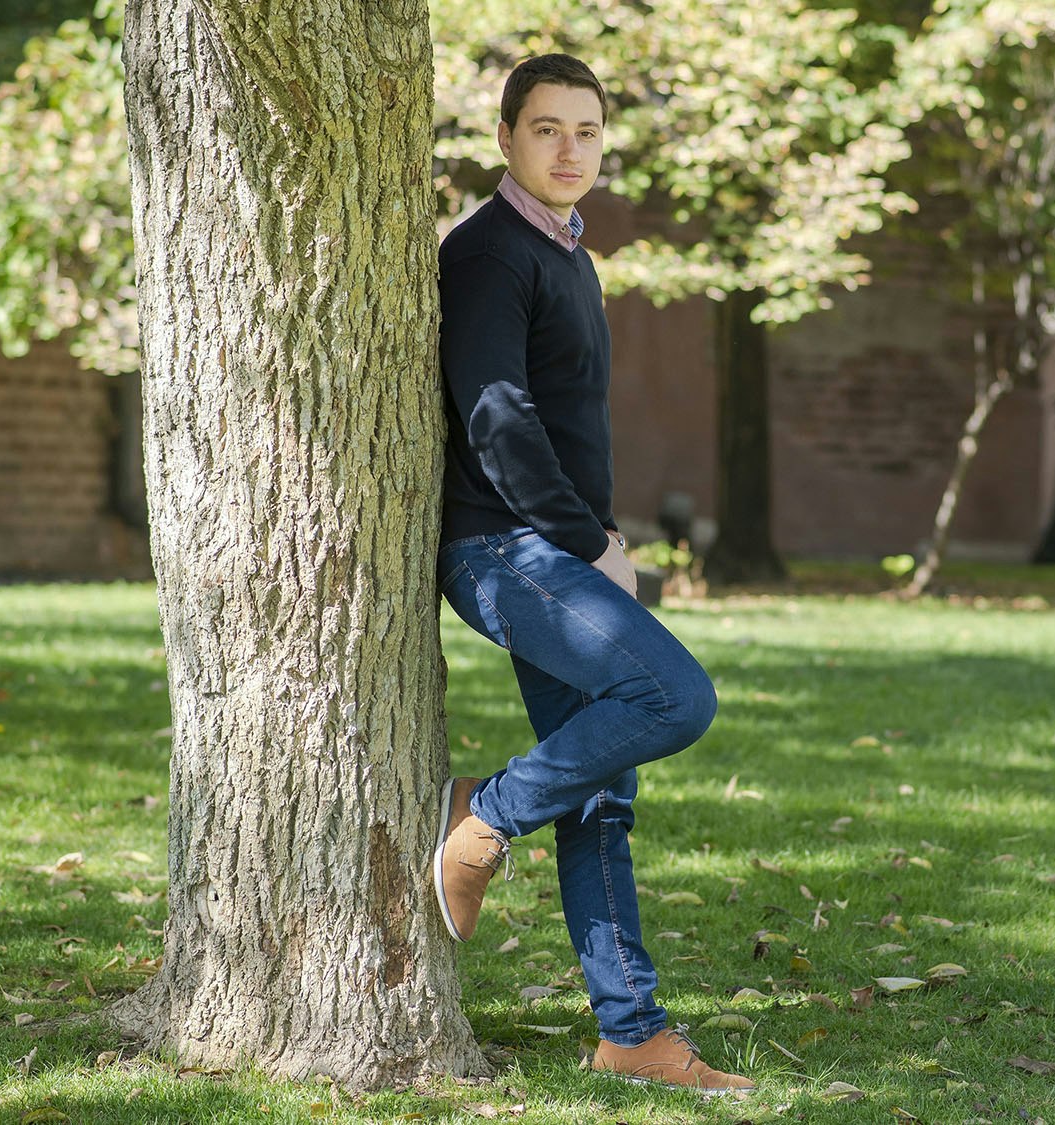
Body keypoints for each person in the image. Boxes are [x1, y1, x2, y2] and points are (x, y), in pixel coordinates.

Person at [432, 54, 753, 1097]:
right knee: (674, 696)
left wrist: (590, 538)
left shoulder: (571, 256)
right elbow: (494, 413)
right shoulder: (489, 254)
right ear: (506, 138)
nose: (569, 150)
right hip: (500, 549)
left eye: (586, 131)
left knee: (602, 801)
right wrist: (586, 543)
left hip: (556, 546)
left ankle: (632, 1034)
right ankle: (482, 811)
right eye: (545, 129)